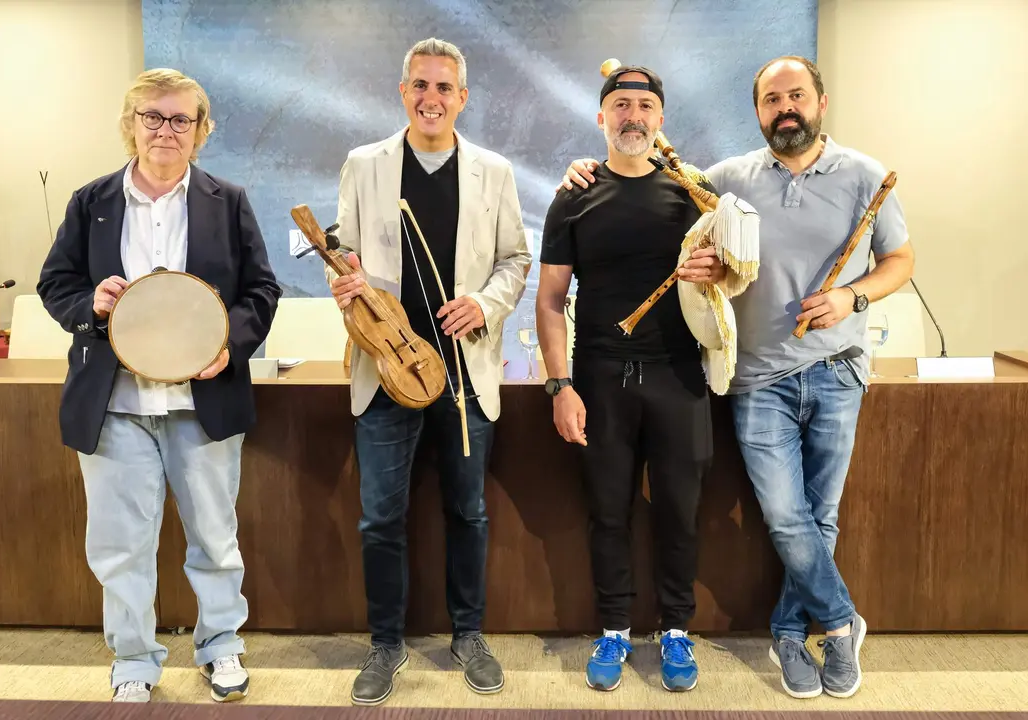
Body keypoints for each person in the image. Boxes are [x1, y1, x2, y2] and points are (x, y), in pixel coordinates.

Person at [557, 55, 914, 700]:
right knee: (782, 516)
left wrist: (851, 297)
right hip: (750, 376)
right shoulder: (724, 180)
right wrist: (581, 169)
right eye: (772, 99)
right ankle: (825, 622)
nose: (785, 108)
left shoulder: (862, 174)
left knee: (812, 517)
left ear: (819, 101)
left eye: (796, 95)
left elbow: (897, 258)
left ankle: (788, 631)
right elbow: (704, 234)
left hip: (826, 370)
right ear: (757, 111)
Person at [37, 68, 281, 704]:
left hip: (201, 402)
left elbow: (261, 290)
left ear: (201, 131)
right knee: (119, 545)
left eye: (181, 119)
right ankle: (134, 662)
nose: (166, 130)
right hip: (114, 403)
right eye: (153, 117)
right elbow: (55, 284)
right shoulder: (91, 202)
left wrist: (226, 345)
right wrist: (89, 303)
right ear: (131, 124)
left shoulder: (228, 200)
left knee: (215, 539)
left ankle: (222, 647)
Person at [326, 37, 531, 706]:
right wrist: (345, 283)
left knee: (467, 511)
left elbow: (515, 261)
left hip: (465, 373)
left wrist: (484, 303)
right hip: (388, 367)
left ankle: (467, 634)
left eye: (444, 87)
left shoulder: (494, 171)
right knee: (380, 517)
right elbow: (344, 250)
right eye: (420, 85)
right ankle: (386, 643)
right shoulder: (364, 165)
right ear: (402, 92)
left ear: (462, 98)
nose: (431, 97)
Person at [537, 65, 727, 694]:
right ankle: (614, 628)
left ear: (661, 119)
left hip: (679, 376)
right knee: (608, 512)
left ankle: (676, 629)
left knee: (679, 511)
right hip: (599, 378)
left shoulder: (692, 192)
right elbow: (549, 299)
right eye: (621, 105)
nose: (633, 116)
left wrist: (719, 268)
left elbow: (736, 275)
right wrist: (560, 388)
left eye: (645, 106)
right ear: (602, 118)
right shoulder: (574, 194)